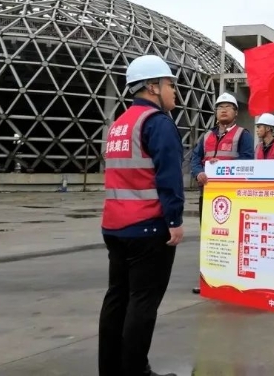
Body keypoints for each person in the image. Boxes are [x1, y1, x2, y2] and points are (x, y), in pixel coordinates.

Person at [99, 54, 183, 376]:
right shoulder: (158, 122)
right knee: (143, 303)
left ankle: (111, 369)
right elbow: (169, 177)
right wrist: (174, 221)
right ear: (153, 87)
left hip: (114, 227)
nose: (174, 91)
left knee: (117, 300)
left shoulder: (120, 124)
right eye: (170, 84)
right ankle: (135, 371)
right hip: (147, 228)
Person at [189, 92, 254, 294]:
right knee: (209, 237)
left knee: (233, 237)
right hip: (208, 196)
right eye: (220, 107)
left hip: (233, 196)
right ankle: (208, 280)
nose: (223, 110)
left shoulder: (243, 135)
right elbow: (195, 159)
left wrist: (224, 167)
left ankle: (233, 281)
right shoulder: (206, 136)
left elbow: (248, 160)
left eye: (228, 107)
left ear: (236, 112)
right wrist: (198, 172)